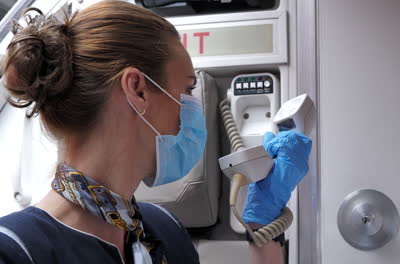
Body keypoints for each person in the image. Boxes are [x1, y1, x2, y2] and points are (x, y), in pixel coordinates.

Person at [0, 1, 312, 263]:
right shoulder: (15, 250)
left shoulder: (164, 230)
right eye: (187, 89)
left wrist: (262, 226)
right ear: (138, 90)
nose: (193, 106)